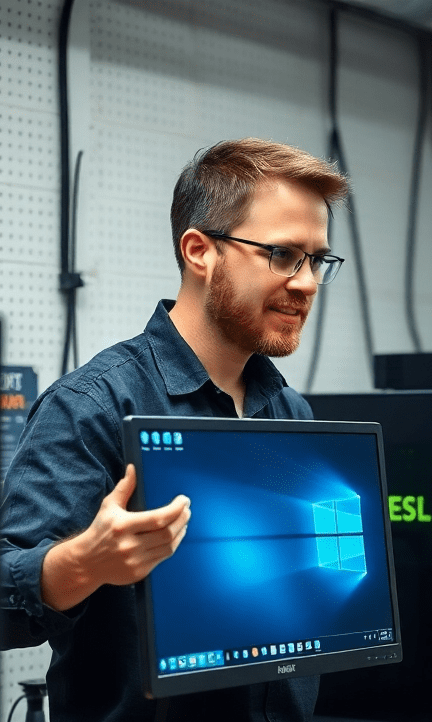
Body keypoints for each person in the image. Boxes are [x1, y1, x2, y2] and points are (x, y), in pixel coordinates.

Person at [0, 138, 349, 720]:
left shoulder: (292, 413)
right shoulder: (94, 406)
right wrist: (83, 562)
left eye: (317, 260)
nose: (307, 283)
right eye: (284, 255)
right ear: (199, 251)